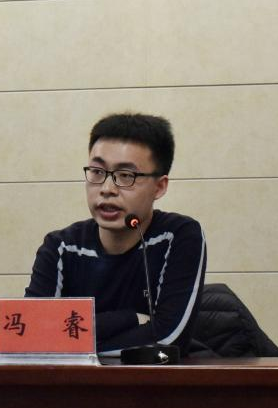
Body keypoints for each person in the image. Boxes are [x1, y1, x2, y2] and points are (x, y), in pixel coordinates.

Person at [25, 112, 206, 354]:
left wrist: (71, 344)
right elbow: (31, 338)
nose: (107, 189)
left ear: (159, 187)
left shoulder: (178, 236)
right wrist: (130, 319)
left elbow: (168, 340)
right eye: (97, 172)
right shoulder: (61, 247)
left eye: (126, 176)